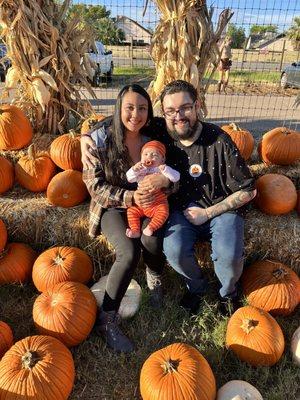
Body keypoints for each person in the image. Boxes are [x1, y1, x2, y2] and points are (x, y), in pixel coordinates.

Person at [81, 80, 256, 317]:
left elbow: (249, 189)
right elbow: (123, 119)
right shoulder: (160, 132)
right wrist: (85, 135)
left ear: (197, 106)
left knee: (227, 254)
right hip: (162, 209)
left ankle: (228, 294)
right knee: (171, 249)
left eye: (185, 108)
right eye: (171, 111)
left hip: (216, 210)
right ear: (164, 114)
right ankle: (196, 288)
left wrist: (206, 211)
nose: (178, 116)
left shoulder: (217, 139)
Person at [81, 84, 170, 353]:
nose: (135, 114)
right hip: (113, 207)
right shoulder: (100, 139)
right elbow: (94, 187)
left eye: (142, 108)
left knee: (152, 238)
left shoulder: (155, 135)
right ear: (119, 108)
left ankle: (154, 277)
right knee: (129, 252)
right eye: (129, 107)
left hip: (151, 204)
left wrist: (165, 181)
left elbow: (176, 173)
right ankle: (106, 319)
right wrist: (84, 134)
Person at [126, 140, 180, 238]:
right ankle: (135, 230)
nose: (149, 157)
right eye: (145, 154)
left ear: (162, 159)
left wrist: (166, 170)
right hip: (141, 203)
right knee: (131, 211)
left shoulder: (162, 169)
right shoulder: (140, 169)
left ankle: (151, 227)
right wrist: (134, 170)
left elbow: (176, 177)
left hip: (158, 203)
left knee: (163, 212)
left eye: (154, 155)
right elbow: (129, 178)